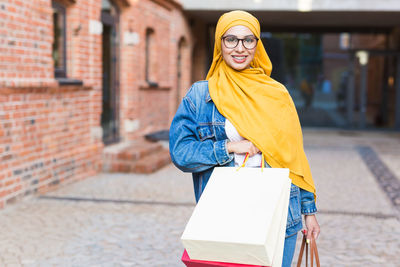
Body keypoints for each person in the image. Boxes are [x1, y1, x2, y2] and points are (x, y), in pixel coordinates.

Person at [169, 10, 320, 267]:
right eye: (231, 39)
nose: (240, 48)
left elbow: (294, 157)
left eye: (249, 40)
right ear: (220, 44)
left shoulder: (276, 94)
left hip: (279, 215)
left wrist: (309, 211)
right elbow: (181, 153)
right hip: (224, 215)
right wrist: (229, 147)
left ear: (257, 45)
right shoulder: (200, 95)